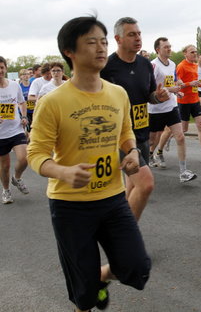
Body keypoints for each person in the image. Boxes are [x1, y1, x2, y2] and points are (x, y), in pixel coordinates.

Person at [27, 16, 151, 312]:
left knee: (137, 267)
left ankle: (101, 276)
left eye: (104, 41)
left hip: (112, 198)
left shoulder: (117, 93)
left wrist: (131, 152)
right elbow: (36, 154)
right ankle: (87, 291)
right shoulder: (53, 102)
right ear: (69, 51)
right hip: (70, 205)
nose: (101, 48)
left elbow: (125, 132)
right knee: (83, 295)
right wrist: (62, 171)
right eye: (91, 42)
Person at [100, 17, 169, 220]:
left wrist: (158, 97)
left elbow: (149, 95)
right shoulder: (107, 67)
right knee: (145, 183)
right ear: (118, 39)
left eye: (139, 34)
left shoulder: (145, 65)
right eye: (132, 34)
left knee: (131, 186)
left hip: (141, 131)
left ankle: (118, 229)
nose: (138, 38)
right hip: (118, 136)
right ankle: (127, 238)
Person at [147, 37, 196, 182]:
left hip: (171, 106)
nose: (169, 49)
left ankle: (183, 172)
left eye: (170, 46)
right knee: (151, 140)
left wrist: (177, 89)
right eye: (166, 47)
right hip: (155, 109)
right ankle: (148, 157)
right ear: (158, 50)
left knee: (180, 136)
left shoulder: (172, 64)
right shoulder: (153, 66)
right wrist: (171, 89)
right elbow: (150, 89)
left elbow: (173, 80)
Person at [176, 45, 201, 162]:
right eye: (192, 52)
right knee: (183, 129)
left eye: (196, 52)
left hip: (195, 100)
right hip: (184, 101)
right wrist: (190, 84)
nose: (195, 54)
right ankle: (167, 138)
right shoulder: (181, 66)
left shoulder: (195, 66)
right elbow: (178, 85)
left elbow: (195, 81)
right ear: (185, 54)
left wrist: (200, 84)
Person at [0, 57, 29, 204]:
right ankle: (6, 190)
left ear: (5, 68)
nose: (0, 71)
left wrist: (24, 116)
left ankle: (17, 178)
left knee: (24, 158)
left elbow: (22, 102)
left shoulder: (13, 85)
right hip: (1, 134)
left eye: (1, 67)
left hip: (16, 129)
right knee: (5, 166)